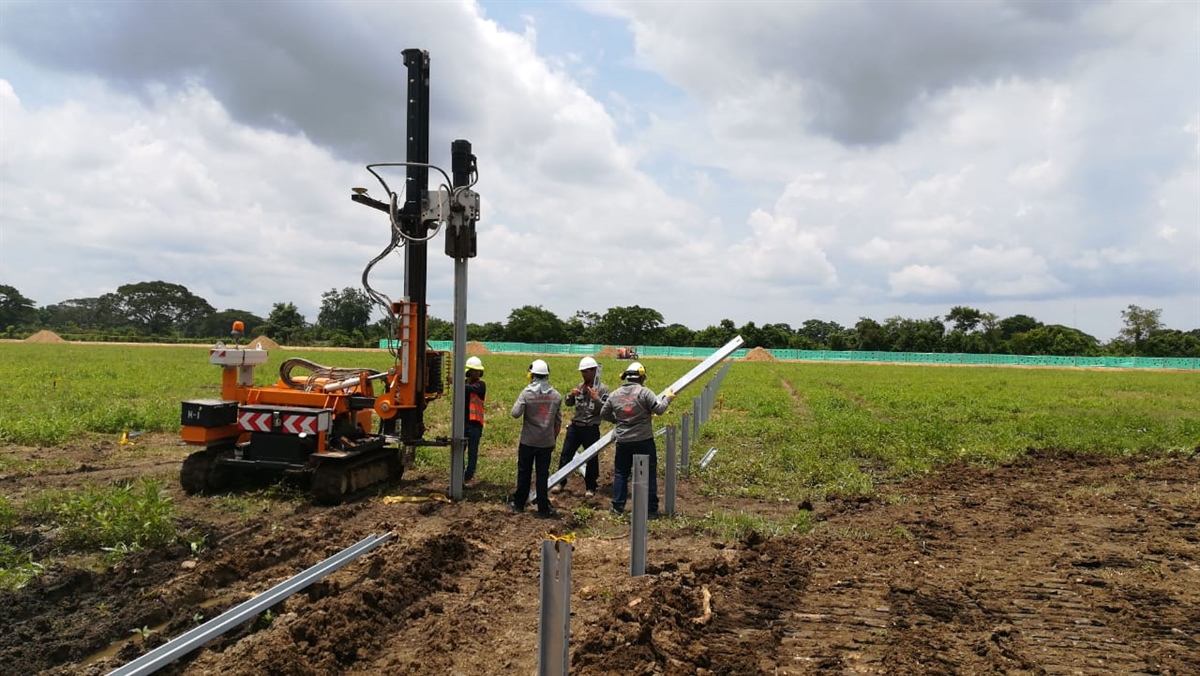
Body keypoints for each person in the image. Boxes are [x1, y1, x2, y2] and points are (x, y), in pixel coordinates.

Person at [600, 361, 676, 516]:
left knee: (621, 473)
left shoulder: (615, 395)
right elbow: (659, 410)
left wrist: (617, 420)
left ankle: (617, 507)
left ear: (626, 376)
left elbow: (603, 413)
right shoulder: (645, 393)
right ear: (641, 376)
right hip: (643, 440)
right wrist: (668, 398)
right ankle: (650, 508)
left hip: (623, 441)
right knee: (648, 473)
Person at [508, 359, 562, 518]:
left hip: (528, 441)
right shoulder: (556, 395)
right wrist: (553, 439)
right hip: (546, 442)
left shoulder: (527, 393)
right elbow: (558, 421)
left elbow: (515, 413)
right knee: (542, 475)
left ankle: (519, 504)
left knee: (524, 473)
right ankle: (543, 508)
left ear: (532, 375)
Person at [551, 356, 609, 497]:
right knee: (566, 455)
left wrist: (596, 398)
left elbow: (606, 409)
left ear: (594, 371)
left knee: (591, 458)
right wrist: (571, 395)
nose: (583, 374)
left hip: (590, 428)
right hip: (575, 426)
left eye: (586, 371)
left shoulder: (603, 389)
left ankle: (590, 487)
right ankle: (560, 482)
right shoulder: (579, 386)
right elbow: (569, 404)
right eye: (582, 372)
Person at [462, 355, 486, 485]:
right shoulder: (464, 383)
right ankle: (459, 475)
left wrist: (456, 382)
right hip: (463, 423)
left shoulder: (481, 385)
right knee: (460, 451)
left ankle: (468, 476)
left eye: (478, 371)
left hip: (475, 424)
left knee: (472, 452)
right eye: (473, 370)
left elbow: (472, 389)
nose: (476, 373)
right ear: (469, 371)